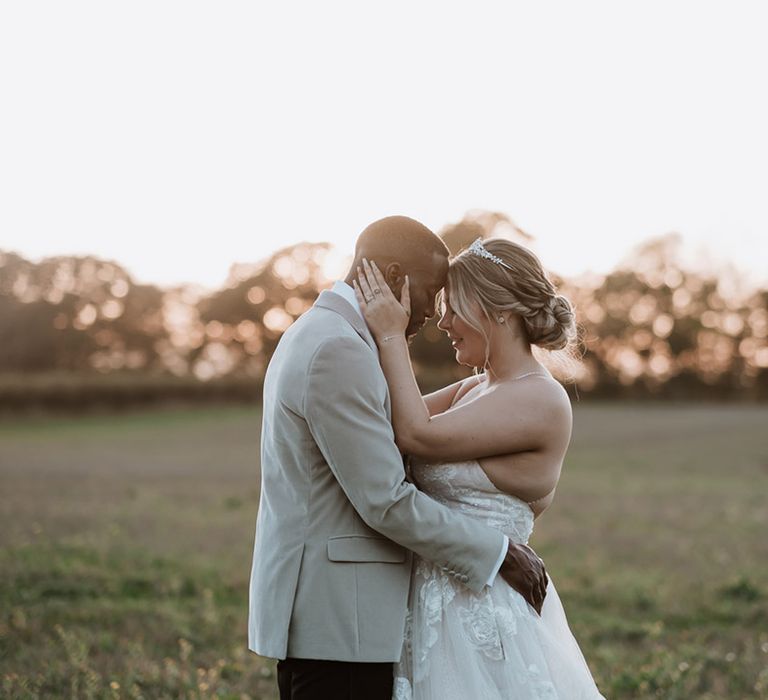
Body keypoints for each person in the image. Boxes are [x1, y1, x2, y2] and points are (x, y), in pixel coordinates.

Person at [248, 217, 548, 700]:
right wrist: (498, 554)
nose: (434, 312)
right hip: (341, 619)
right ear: (393, 277)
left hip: (347, 618)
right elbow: (384, 499)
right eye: (431, 292)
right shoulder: (338, 348)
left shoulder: (328, 332)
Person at [354, 237, 605, 699]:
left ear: (499, 310)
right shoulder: (475, 389)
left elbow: (416, 435)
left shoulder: (540, 397)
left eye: (454, 308)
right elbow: (385, 418)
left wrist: (390, 335)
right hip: (429, 606)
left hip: (483, 613)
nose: (443, 323)